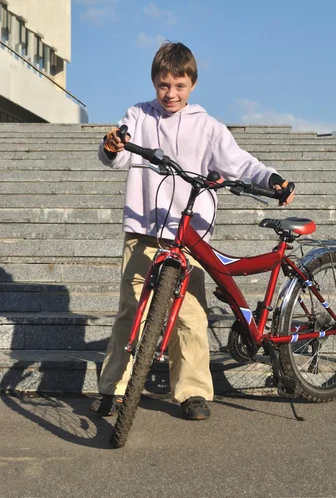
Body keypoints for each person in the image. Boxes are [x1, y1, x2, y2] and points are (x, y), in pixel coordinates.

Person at [91, 41, 294, 420]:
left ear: (192, 85)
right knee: (131, 311)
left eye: (179, 86)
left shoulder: (208, 126)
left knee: (190, 314)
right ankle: (112, 388)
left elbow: (239, 163)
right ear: (154, 83)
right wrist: (113, 145)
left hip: (190, 234)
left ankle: (192, 391)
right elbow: (115, 155)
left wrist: (272, 179)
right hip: (144, 228)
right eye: (164, 85)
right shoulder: (139, 114)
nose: (171, 94)